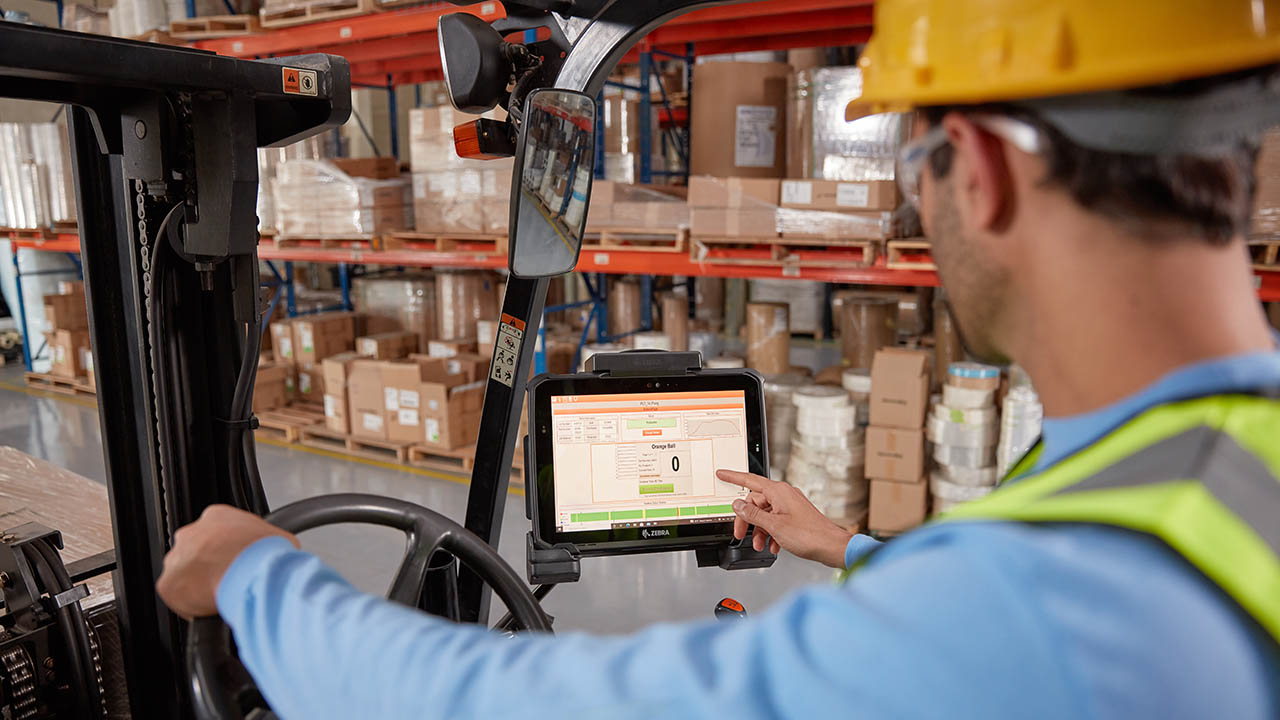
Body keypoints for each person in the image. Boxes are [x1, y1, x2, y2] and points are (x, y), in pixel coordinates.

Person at [158, 2, 1280, 717]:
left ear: (975, 170)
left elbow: (528, 706)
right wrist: (845, 546)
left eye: (911, 168)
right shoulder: (1202, 466)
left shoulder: (1055, 607)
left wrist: (261, 579)